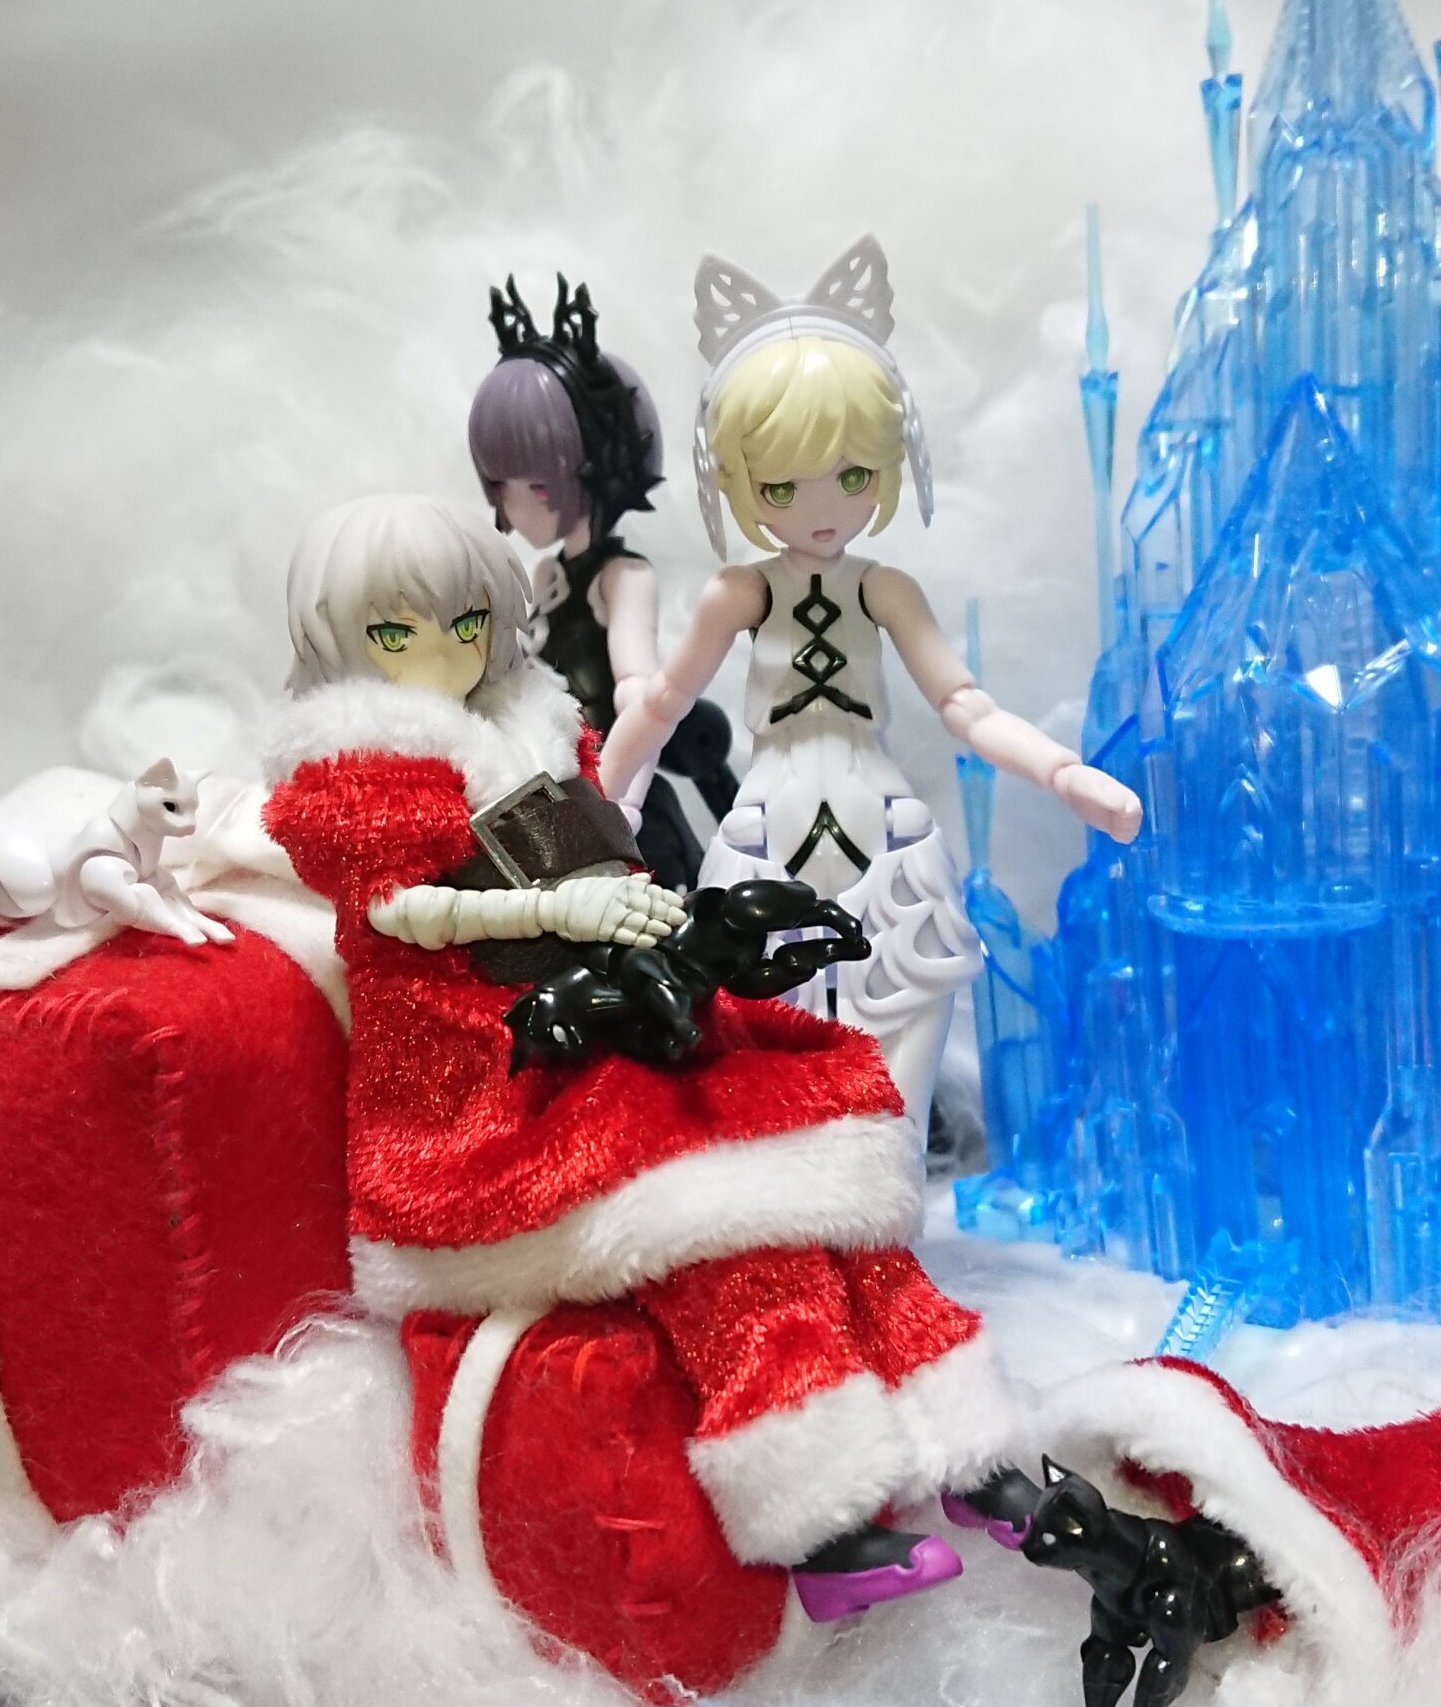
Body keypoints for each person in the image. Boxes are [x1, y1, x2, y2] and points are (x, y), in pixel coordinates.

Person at [262, 490, 1034, 1620]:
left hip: (606, 1022)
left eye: (466, 621)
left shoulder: (529, 725)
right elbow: (399, 914)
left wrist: (649, 920)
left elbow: (605, 860)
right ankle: (817, 1515)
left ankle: (967, 1440)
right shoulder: (354, 773)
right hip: (478, 1100)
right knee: (717, 1224)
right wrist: (559, 913)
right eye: (396, 631)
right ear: (343, 638)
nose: (442, 651)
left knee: (811, 1172)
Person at [599, 237, 1143, 1147]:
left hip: (880, 821)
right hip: (769, 821)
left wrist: (1061, 773)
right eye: (782, 485)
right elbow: (660, 705)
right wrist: (605, 806)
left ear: (890, 465)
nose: (821, 508)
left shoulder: (885, 588)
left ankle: (890, 1180)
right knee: (762, 1026)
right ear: (737, 481)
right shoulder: (737, 592)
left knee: (905, 1009)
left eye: (851, 476)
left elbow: (965, 706)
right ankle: (795, 1195)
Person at [469, 275, 735, 888]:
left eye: (533, 484)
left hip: (615, 791)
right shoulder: (546, 576)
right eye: (500, 484)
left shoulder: (622, 577)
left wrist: (618, 792)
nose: (511, 503)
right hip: (555, 786)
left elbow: (639, 694)